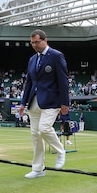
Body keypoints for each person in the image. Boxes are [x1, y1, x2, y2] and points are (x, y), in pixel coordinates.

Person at [19, 29, 70, 178]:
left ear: (45, 40)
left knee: (44, 129)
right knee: (35, 135)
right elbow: (29, 82)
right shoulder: (32, 59)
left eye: (37, 42)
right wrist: (23, 103)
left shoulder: (56, 56)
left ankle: (60, 150)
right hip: (34, 101)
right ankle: (38, 169)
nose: (34, 45)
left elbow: (63, 80)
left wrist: (64, 103)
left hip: (52, 101)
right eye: (32, 43)